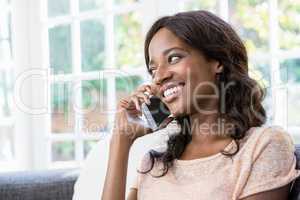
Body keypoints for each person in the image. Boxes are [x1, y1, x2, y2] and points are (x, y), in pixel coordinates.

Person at [101, 10, 300, 200]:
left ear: (217, 61)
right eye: (153, 70)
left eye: (174, 58)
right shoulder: (153, 163)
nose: (159, 77)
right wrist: (121, 139)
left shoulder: (263, 145)